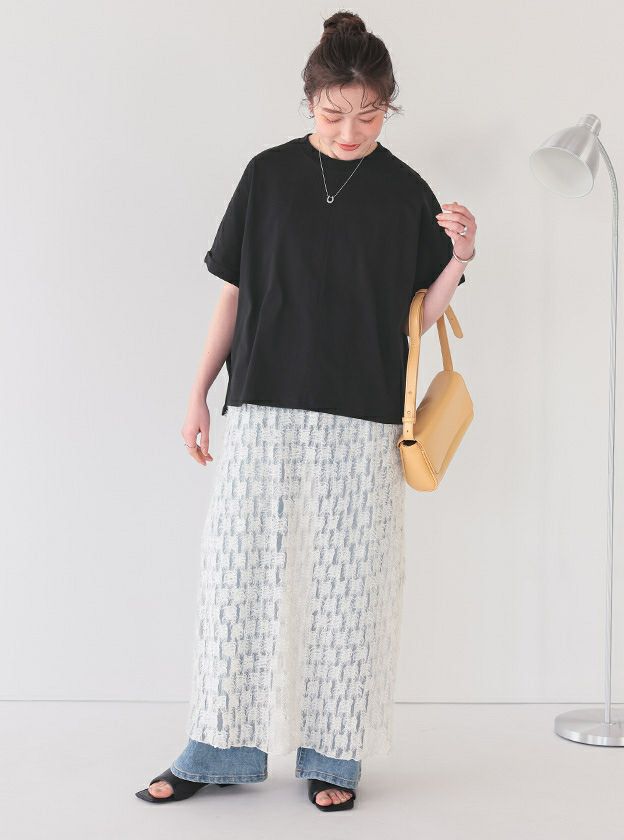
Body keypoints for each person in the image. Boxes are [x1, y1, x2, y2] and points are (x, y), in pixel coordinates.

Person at [135, 9, 477, 813]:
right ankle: (218, 747)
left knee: (349, 591)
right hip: (261, 405)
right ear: (310, 101)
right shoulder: (266, 176)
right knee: (236, 580)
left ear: (387, 106)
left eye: (369, 115)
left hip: (362, 416)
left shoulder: (405, 191)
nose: (351, 131)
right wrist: (197, 392)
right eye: (333, 114)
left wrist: (459, 257)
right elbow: (233, 295)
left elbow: (417, 318)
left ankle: (334, 756)